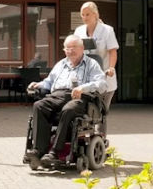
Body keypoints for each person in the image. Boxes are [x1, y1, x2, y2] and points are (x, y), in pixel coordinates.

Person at [24, 35, 107, 169]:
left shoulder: (91, 64)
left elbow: (102, 84)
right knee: (39, 105)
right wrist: (38, 84)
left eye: (74, 47)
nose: (70, 51)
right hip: (57, 95)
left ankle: (54, 153)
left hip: (79, 97)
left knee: (68, 109)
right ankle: (39, 151)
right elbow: (49, 81)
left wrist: (83, 87)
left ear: (82, 48)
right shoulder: (61, 64)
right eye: (67, 48)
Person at [73, 1, 119, 111]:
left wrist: (111, 67)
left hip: (104, 74)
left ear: (95, 14)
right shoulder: (78, 31)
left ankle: (99, 128)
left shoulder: (107, 30)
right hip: (85, 77)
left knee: (100, 113)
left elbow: (113, 51)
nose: (85, 17)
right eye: (83, 15)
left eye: (87, 14)